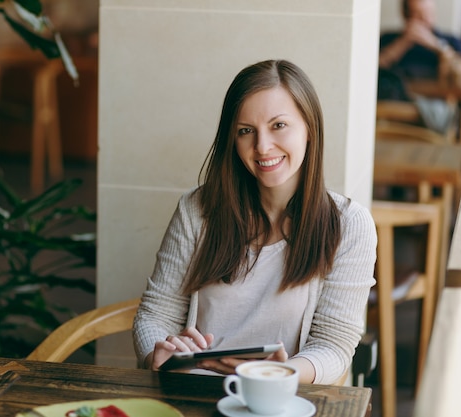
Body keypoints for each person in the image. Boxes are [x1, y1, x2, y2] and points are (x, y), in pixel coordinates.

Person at [132, 59, 377, 385]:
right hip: (195, 393)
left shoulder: (349, 225)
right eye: (246, 131)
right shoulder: (198, 210)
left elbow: (334, 346)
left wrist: (278, 374)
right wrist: (157, 354)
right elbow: (155, 315)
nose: (262, 147)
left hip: (284, 398)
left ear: (309, 129)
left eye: (278, 126)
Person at [377, 0, 461, 134]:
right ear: (406, 16)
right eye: (419, 15)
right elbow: (372, 70)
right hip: (392, 100)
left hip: (434, 104)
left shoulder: (450, 41)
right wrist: (403, 43)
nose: (425, 21)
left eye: (428, 14)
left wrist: (439, 47)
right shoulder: (389, 38)